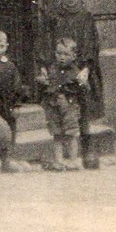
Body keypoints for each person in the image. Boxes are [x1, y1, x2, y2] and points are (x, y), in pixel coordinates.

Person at [39, 0, 104, 168]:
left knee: (82, 110)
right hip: (58, 72)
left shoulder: (86, 17)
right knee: (59, 110)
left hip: (80, 70)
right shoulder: (52, 16)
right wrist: (44, 65)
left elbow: (92, 44)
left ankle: (87, 152)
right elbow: (44, 42)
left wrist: (86, 69)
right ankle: (61, 157)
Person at [36, 36, 85, 171]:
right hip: (53, 106)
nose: (62, 57)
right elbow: (47, 84)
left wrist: (82, 83)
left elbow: (82, 89)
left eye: (66, 54)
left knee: (71, 133)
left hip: (69, 107)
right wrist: (43, 81)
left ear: (73, 56)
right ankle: (59, 161)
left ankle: (73, 160)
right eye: (59, 53)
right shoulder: (52, 68)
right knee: (57, 134)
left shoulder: (75, 72)